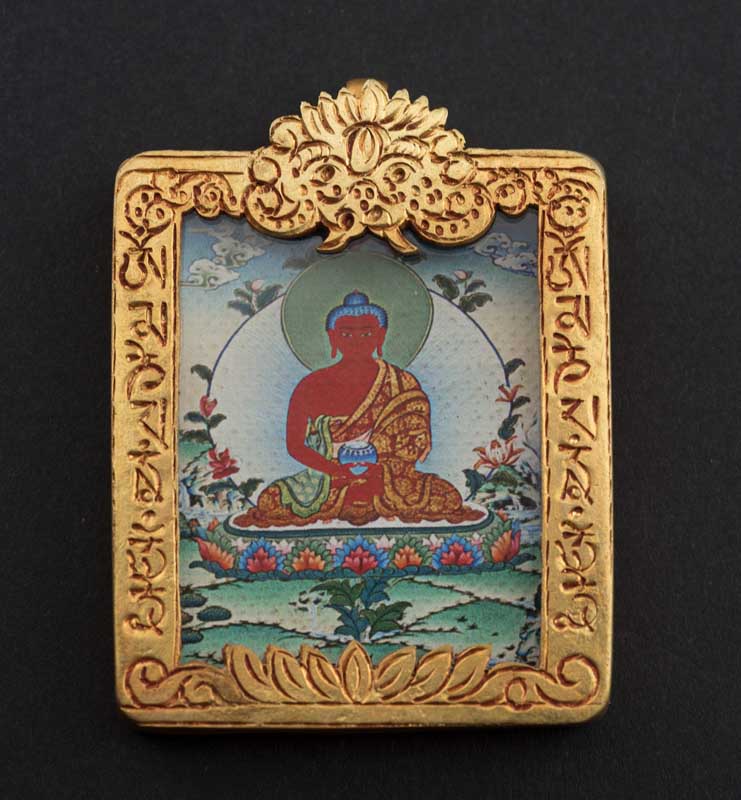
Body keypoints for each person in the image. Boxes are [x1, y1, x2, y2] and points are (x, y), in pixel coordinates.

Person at [232, 291, 483, 527]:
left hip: (387, 479)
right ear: (332, 337)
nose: (356, 341)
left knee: (447, 496)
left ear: (380, 336)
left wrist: (379, 467)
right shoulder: (310, 385)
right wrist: (336, 470)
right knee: (271, 499)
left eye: (366, 333)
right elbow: (295, 445)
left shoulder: (401, 382)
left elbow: (414, 444)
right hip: (328, 479)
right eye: (346, 334)